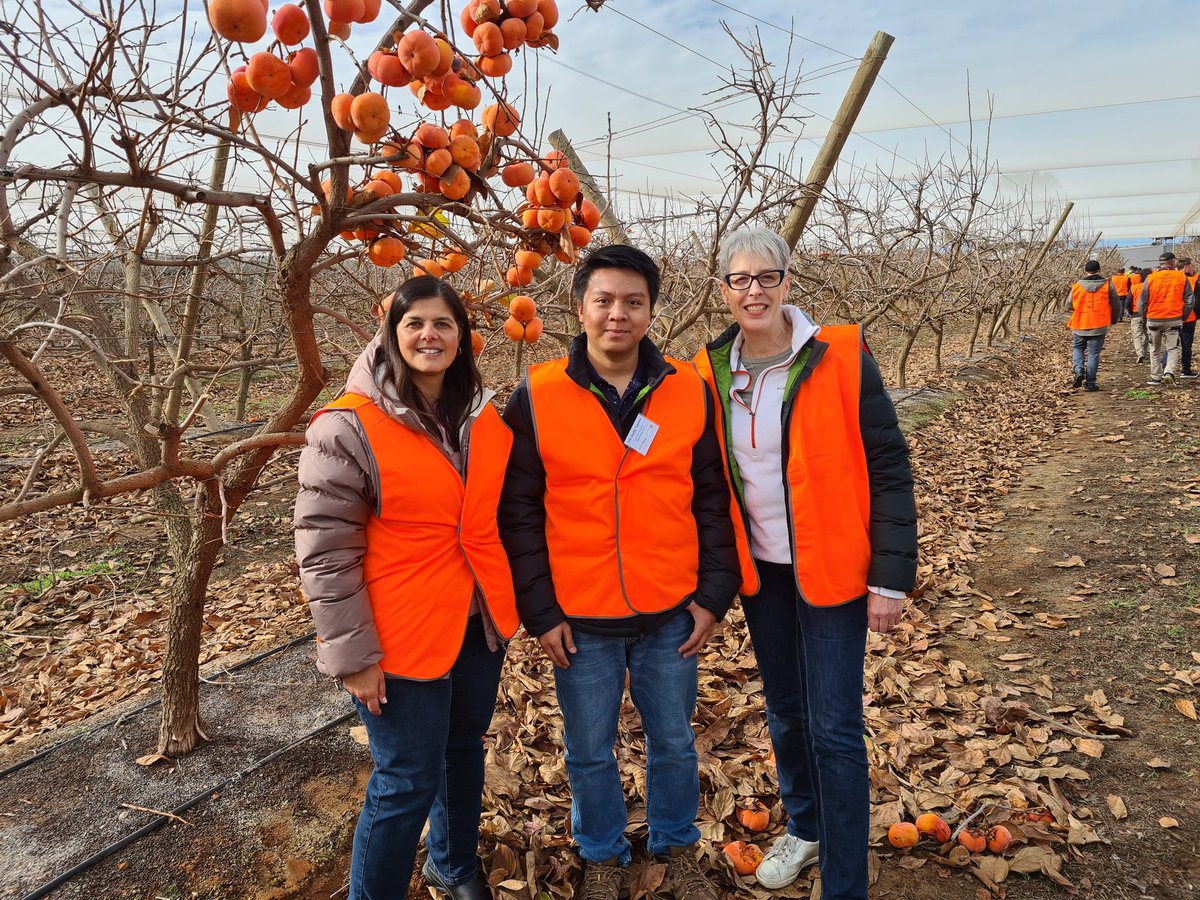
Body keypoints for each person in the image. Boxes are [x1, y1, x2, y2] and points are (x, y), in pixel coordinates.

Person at [499, 245, 740, 900]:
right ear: (579, 309)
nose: (618, 314)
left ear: (650, 310)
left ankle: (674, 843)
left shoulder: (687, 391)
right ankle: (602, 852)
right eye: (603, 300)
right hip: (581, 619)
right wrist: (540, 611)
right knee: (587, 750)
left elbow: (713, 498)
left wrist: (715, 594)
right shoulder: (540, 394)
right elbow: (516, 512)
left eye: (633, 301)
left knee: (673, 744)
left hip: (670, 613)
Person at [693, 228, 918, 900]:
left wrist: (890, 577)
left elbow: (888, 464)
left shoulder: (840, 354)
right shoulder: (708, 371)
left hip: (836, 568)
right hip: (763, 573)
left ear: (789, 283)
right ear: (724, 291)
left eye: (768, 277)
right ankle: (807, 826)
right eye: (740, 280)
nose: (754, 290)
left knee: (836, 726)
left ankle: (845, 879)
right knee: (787, 712)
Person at [295, 275, 518, 900]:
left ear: (462, 338)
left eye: (444, 324)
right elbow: (324, 552)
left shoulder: (481, 417)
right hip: (398, 634)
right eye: (414, 322)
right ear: (391, 333)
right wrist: (354, 657)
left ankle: (451, 865)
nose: (430, 334)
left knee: (462, 753)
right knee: (404, 781)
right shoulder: (348, 427)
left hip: (475, 624)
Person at [1137, 251, 1194, 385]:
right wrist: (1183, 316)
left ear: (1161, 263)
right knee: (1172, 347)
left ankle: (1156, 376)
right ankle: (1169, 371)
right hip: (1174, 318)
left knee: (1154, 348)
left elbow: (1141, 302)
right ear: (1173, 262)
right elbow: (1190, 300)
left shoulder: (1150, 278)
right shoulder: (1182, 278)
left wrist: (1145, 316)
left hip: (1154, 318)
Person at [1065, 260, 1121, 392]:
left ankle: (1079, 370)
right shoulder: (1108, 285)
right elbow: (1116, 304)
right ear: (1099, 270)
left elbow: (1068, 305)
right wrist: (1113, 319)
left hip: (1080, 323)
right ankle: (1090, 384)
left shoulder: (1077, 286)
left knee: (1078, 348)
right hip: (1099, 324)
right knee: (1093, 354)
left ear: (1085, 271)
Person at [1181, 258, 1198, 378]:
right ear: (1186, 267)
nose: (1193, 268)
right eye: (1191, 266)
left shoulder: (1173, 278)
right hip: (1188, 317)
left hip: (1170, 315)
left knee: (1171, 344)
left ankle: (1166, 368)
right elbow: (1194, 301)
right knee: (1186, 344)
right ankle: (1185, 369)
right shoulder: (1193, 280)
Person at [1128, 267, 1148, 362]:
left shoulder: (1134, 287)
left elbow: (1129, 302)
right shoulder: (1151, 286)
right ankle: (1144, 350)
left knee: (1137, 335)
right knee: (1147, 334)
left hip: (1136, 314)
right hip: (1148, 314)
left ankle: (1140, 353)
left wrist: (1131, 312)